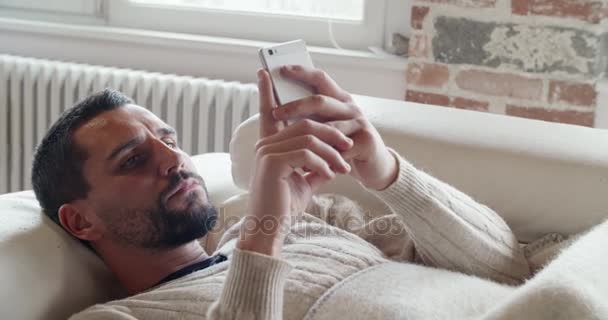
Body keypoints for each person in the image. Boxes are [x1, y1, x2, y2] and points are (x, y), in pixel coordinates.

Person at [31, 66, 532, 320]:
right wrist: (264, 233)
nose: (174, 161)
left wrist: (385, 172)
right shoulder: (119, 318)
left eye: (169, 140)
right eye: (133, 160)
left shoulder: (318, 218)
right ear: (80, 221)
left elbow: (510, 271)